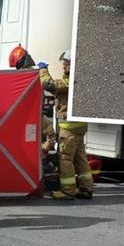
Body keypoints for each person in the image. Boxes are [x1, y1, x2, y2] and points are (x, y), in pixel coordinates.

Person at [39, 50, 92, 200]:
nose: (64, 67)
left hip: (69, 128)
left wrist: (43, 69)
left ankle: (68, 190)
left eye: (66, 64)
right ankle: (86, 188)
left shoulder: (72, 80)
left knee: (65, 158)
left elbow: (48, 84)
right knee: (80, 158)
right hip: (79, 126)